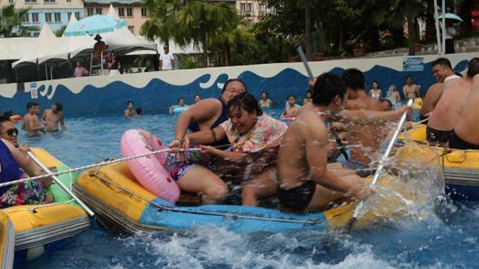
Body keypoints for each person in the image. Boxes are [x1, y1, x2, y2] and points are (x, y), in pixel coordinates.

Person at [274, 73, 372, 213]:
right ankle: (338, 216)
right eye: (345, 99)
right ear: (337, 100)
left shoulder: (305, 110)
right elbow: (319, 175)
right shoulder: (316, 127)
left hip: (286, 188)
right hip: (297, 196)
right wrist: (352, 189)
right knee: (357, 182)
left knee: (341, 167)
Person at [170, 93, 287, 205]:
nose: (235, 121)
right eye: (232, 117)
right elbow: (214, 134)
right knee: (222, 169)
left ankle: (247, 223)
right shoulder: (235, 121)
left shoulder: (264, 126)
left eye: (239, 116)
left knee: (249, 190)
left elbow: (244, 158)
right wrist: (184, 139)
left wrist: (213, 151)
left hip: (285, 165)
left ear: (253, 113)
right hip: (263, 160)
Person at [341, 68, 408, 170]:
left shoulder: (352, 105)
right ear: (363, 84)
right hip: (374, 163)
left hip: (358, 164)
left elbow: (330, 106)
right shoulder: (376, 104)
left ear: (347, 88)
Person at [427, 57, 479, 144]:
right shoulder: (476, 91)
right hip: (450, 136)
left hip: (431, 131)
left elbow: (434, 103)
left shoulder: (450, 82)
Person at [169, 79, 247, 148]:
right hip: (190, 149)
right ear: (223, 92)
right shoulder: (215, 104)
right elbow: (185, 115)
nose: (236, 94)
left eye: (240, 93)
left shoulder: (239, 116)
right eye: (232, 90)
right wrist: (179, 139)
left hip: (213, 157)